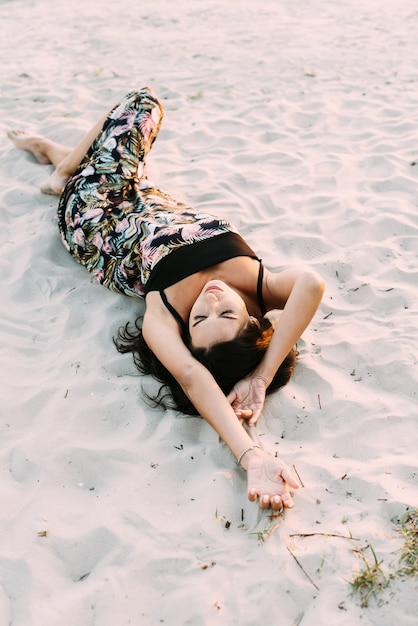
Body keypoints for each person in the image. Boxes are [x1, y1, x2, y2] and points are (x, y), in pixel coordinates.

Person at [7, 87, 325, 511]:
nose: (210, 299)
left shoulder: (163, 311)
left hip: (94, 216)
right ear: (252, 321)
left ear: (185, 330)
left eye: (199, 319)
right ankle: (65, 160)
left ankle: (62, 168)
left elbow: (194, 377)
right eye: (224, 311)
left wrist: (251, 455)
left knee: (141, 104)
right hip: (151, 203)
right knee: (126, 138)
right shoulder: (264, 287)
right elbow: (313, 285)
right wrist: (261, 376)